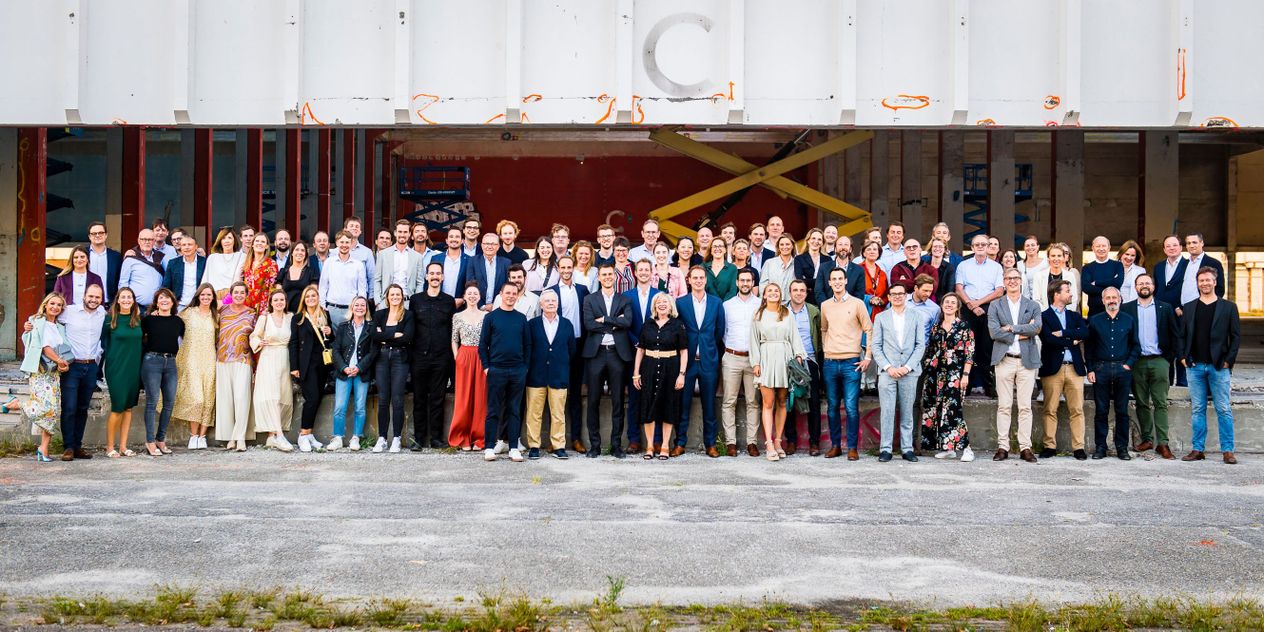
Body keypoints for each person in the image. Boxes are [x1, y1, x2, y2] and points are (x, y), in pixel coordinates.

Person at [1179, 266, 1240, 464]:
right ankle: (1198, 449)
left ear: (1215, 282)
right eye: (1201, 280)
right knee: (1198, 409)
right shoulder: (1189, 307)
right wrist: (1183, 357)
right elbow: (1182, 335)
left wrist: (1228, 361)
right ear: (1197, 283)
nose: (1204, 283)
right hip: (1195, 366)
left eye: (1208, 280)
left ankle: (1228, 451)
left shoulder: (1228, 307)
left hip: (1219, 367)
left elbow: (1235, 337)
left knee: (1223, 409)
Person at [1122, 274, 1180, 459]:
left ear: (1153, 286)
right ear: (1136, 287)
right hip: (1137, 362)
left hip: (1159, 360)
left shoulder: (1165, 307)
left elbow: (1175, 334)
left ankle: (1163, 443)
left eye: (1148, 283)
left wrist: (1168, 359)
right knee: (1141, 402)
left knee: (1161, 402)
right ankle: (1147, 439)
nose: (1144, 286)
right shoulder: (1127, 308)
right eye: (1141, 283)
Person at [988, 268, 1043, 462]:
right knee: (1004, 405)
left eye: (1015, 278)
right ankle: (1003, 447)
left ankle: (1025, 447)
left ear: (1021, 281)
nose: (1012, 281)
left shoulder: (1032, 305)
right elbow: (994, 332)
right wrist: (1023, 332)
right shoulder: (995, 305)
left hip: (1026, 361)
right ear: (1004, 281)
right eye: (1008, 278)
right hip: (1004, 359)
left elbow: (1036, 327)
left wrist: (1011, 328)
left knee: (1025, 406)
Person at [750, 283, 807, 462]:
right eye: (770, 291)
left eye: (776, 291)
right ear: (764, 295)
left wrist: (798, 355)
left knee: (782, 401)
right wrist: (755, 363)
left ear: (780, 295)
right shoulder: (758, 315)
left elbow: (794, 336)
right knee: (768, 402)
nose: (773, 293)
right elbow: (753, 340)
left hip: (784, 358)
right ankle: (768, 443)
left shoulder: (787, 313)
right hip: (766, 358)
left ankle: (778, 441)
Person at [582, 264, 635, 458]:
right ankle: (594, 446)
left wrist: (604, 319)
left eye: (610, 274)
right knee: (593, 400)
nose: (607, 277)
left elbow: (627, 322)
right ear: (599, 277)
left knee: (618, 401)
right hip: (595, 354)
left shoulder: (625, 299)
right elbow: (589, 324)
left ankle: (616, 446)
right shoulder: (589, 299)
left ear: (615, 276)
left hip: (617, 354)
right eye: (603, 274)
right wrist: (614, 322)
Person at [820, 267, 872, 460]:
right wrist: (827, 349)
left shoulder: (857, 303)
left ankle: (852, 447)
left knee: (851, 406)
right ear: (829, 283)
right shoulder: (825, 305)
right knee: (832, 406)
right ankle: (835, 446)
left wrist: (868, 357)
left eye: (840, 278)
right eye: (834, 279)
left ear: (846, 281)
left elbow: (869, 329)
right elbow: (824, 329)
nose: (837, 282)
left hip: (852, 362)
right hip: (830, 362)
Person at [870, 283, 926, 462]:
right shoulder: (881, 317)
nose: (897, 296)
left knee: (907, 411)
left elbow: (920, 345)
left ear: (906, 295)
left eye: (900, 293)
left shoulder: (916, 316)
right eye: (893, 294)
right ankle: (885, 449)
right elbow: (876, 346)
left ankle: (907, 449)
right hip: (887, 372)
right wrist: (888, 367)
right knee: (887, 411)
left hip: (909, 371)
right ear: (888, 297)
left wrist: (907, 367)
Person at [50, 284, 106, 459]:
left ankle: (77, 446)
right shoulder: (69, 311)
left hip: (91, 367)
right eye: (91, 296)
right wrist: (31, 322)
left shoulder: (102, 313)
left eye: (97, 297)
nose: (93, 300)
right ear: (84, 295)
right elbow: (49, 316)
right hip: (72, 366)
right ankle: (68, 447)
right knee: (69, 407)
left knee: (82, 408)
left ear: (101, 299)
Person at [632, 293, 689, 460]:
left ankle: (665, 446)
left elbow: (684, 352)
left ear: (671, 306)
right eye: (659, 302)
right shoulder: (647, 324)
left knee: (668, 407)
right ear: (654, 306)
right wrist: (636, 373)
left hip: (670, 368)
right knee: (648, 406)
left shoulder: (678, 325)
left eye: (665, 302)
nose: (662, 304)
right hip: (649, 367)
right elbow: (640, 350)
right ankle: (650, 446)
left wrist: (682, 374)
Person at [480, 283, 532, 462]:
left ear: (517, 296)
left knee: (514, 410)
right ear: (501, 294)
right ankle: (489, 447)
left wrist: (524, 367)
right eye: (507, 293)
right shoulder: (491, 317)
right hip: (496, 369)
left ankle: (513, 448)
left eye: (514, 293)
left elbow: (528, 345)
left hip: (517, 370)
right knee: (493, 410)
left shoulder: (521, 318)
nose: (511, 296)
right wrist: (487, 367)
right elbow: (483, 345)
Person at [1037, 279, 1089, 460]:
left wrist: (1064, 333)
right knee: (1049, 409)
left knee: (1077, 409)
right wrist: (1072, 340)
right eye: (1067, 290)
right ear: (1056, 294)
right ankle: (1049, 446)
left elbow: (1085, 333)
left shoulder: (1074, 316)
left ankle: (1078, 447)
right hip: (1053, 369)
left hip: (1074, 368)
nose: (1071, 294)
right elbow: (1048, 339)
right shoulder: (1043, 316)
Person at [676, 266, 725, 456]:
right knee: (683, 404)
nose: (698, 281)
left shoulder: (716, 303)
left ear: (706, 280)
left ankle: (710, 444)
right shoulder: (681, 303)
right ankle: (680, 443)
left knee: (709, 405)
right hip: (686, 362)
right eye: (694, 278)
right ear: (688, 280)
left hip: (708, 360)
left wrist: (708, 348)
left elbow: (719, 331)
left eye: (701, 278)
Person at [920, 294, 974, 461]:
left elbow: (969, 353)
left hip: (955, 374)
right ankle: (948, 448)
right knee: (936, 410)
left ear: (957, 307)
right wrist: (928, 367)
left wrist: (965, 375)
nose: (949, 305)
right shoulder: (936, 327)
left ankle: (967, 449)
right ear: (942, 305)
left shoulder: (964, 326)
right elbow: (930, 349)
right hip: (935, 374)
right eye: (946, 302)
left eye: (953, 303)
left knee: (953, 411)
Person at [1086, 287, 1138, 460]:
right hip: (1101, 369)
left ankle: (1122, 448)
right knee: (1101, 410)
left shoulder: (1129, 320)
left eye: (1114, 297)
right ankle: (1101, 447)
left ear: (1120, 299)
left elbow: (1135, 345)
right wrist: (1090, 369)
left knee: (1122, 410)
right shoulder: (1095, 320)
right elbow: (1089, 347)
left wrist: (1128, 365)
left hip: (1123, 369)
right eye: (1108, 298)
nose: (1111, 300)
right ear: (1103, 301)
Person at [409, 262, 456, 450]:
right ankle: (419, 439)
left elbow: (452, 330)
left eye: (438, 273)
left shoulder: (448, 301)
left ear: (442, 277)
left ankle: (436, 438)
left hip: (441, 357)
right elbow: (411, 327)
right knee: (419, 398)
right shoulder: (416, 300)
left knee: (438, 398)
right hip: (419, 356)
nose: (435, 276)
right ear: (427, 276)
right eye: (432, 273)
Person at [524, 290, 575, 460]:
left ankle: (559, 446)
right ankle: (534, 446)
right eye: (547, 301)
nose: (551, 303)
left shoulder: (567, 324)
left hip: (559, 375)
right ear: (541, 304)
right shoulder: (532, 324)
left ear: (558, 304)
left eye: (553, 300)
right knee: (534, 413)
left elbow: (571, 350)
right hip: (536, 375)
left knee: (558, 413)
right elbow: (528, 348)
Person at [20, 293, 71, 462]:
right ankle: (17, 403)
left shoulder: (60, 327)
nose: (55, 307)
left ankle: (44, 448)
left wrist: (63, 364)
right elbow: (44, 347)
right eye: (52, 303)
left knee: (53, 411)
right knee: (44, 407)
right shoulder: (36, 321)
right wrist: (59, 360)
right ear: (45, 304)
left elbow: (62, 349)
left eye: (59, 305)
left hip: (54, 373)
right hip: (40, 371)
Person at [548, 256, 589, 453]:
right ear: (558, 268)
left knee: (575, 395)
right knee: (556, 394)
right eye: (562, 267)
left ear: (573, 268)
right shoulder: (551, 292)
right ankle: (555, 439)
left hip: (579, 345)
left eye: (569, 267)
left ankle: (576, 439)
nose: (566, 270)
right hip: (558, 346)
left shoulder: (582, 290)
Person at [956, 234, 1005, 395]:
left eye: (983, 244)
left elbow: (999, 291)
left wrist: (979, 303)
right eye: (977, 244)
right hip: (968, 308)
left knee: (986, 347)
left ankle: (989, 386)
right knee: (967, 347)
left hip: (988, 308)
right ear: (972, 247)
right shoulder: (963, 265)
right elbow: (959, 289)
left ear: (988, 246)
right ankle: (966, 386)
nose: (980, 247)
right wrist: (971, 305)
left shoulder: (996, 267)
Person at [720, 269, 762, 458]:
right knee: (729, 401)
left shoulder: (760, 304)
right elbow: (723, 331)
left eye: (748, 280)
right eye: (742, 280)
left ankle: (752, 443)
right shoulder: (727, 305)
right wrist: (732, 348)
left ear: (753, 283)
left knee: (753, 401)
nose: (745, 283)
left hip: (754, 359)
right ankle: (731, 443)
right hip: (732, 357)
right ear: (737, 282)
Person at [248, 289, 294, 452]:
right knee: (272, 396)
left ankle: (271, 437)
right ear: (271, 303)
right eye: (276, 300)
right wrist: (259, 342)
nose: (279, 302)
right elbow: (254, 336)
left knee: (282, 395)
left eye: (282, 300)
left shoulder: (290, 317)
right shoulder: (265, 318)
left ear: (285, 302)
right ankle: (279, 435)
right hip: (269, 358)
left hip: (285, 358)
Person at [172, 283, 217, 451]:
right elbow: (171, 321)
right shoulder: (188, 313)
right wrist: (156, 313)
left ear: (213, 297)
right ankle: (193, 435)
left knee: (208, 398)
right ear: (198, 296)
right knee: (197, 399)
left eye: (209, 295)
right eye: (203, 294)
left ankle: (202, 436)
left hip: (209, 359)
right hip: (191, 358)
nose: (206, 297)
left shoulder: (216, 315)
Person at [99, 287, 143, 457]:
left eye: (129, 297)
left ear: (133, 300)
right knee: (118, 407)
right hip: (116, 368)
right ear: (117, 300)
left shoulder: (138, 319)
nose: (126, 300)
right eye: (123, 297)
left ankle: (124, 446)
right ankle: (110, 447)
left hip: (133, 368)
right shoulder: (109, 320)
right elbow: (102, 343)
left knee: (128, 408)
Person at [623, 259, 661, 451]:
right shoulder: (626, 296)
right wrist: (637, 343)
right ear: (635, 273)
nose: (644, 272)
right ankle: (634, 439)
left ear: (652, 272)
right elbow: (624, 324)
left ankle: (656, 440)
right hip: (633, 351)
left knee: (656, 396)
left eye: (647, 269)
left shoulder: (659, 295)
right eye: (641, 270)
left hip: (656, 353)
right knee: (635, 397)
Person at [140, 289, 183, 457]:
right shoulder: (148, 320)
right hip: (152, 361)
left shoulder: (178, 322)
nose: (164, 300)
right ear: (156, 302)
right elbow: (139, 339)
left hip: (171, 362)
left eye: (167, 298)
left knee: (169, 402)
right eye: (161, 298)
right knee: (152, 402)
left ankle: (160, 439)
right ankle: (150, 441)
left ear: (173, 302)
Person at [328, 297, 375, 452]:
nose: (360, 307)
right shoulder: (343, 327)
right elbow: (336, 350)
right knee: (339, 407)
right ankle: (337, 438)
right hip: (344, 373)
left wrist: (359, 367)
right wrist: (343, 367)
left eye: (363, 305)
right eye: (357, 305)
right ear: (352, 307)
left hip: (362, 372)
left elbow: (373, 352)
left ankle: (356, 437)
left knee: (360, 407)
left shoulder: (371, 327)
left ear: (366, 309)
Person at [289, 284, 332, 452]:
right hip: (305, 364)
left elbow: (331, 340)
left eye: (313, 296)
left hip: (322, 363)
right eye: (308, 297)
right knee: (312, 398)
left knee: (318, 398)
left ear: (318, 298)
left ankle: (309, 434)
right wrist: (294, 367)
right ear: (304, 300)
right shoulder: (298, 318)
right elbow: (293, 343)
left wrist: (329, 332)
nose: (311, 299)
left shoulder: (325, 314)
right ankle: (303, 435)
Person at [371, 284, 413, 453]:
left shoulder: (408, 315)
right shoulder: (380, 314)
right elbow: (374, 335)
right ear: (387, 297)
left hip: (400, 359)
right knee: (383, 399)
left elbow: (408, 337)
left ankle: (396, 438)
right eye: (392, 294)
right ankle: (382, 438)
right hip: (381, 358)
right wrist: (394, 335)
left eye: (398, 294)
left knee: (397, 399)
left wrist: (385, 336)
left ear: (402, 297)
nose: (395, 297)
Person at [215, 283, 256, 451]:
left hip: (243, 359)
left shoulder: (251, 313)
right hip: (222, 359)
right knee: (226, 400)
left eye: (242, 292)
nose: (239, 295)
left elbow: (256, 336)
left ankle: (240, 438)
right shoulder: (222, 310)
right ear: (231, 294)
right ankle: (230, 436)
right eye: (236, 292)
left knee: (242, 398)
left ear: (246, 295)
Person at [449, 284, 488, 450]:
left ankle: (479, 437)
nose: (472, 296)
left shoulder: (486, 316)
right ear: (464, 297)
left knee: (481, 397)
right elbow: (454, 339)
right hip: (464, 355)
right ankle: (462, 436)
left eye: (475, 293)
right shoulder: (457, 316)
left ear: (479, 297)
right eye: (469, 293)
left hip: (481, 356)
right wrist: (457, 357)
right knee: (464, 398)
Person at [785, 280, 821, 455]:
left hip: (809, 360)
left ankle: (814, 443)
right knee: (789, 402)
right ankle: (791, 441)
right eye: (795, 290)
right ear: (790, 292)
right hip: (788, 362)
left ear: (806, 293)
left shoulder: (814, 311)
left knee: (813, 401)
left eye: (802, 290)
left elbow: (819, 335)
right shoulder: (782, 311)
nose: (798, 293)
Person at [1154, 235, 1189, 386]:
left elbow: (1192, 290)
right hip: (1162, 314)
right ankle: (1166, 384)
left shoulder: (1189, 265)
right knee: (1166, 349)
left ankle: (1182, 383)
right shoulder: (1158, 267)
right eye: (1168, 246)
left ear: (1181, 247)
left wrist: (1180, 306)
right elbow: (1158, 290)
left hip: (1181, 313)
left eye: (1175, 245)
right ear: (1164, 249)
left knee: (1182, 348)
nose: (1171, 248)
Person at [319, 231, 368, 327]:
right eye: (341, 242)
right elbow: (323, 286)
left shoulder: (358, 265)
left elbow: (362, 290)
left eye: (347, 242)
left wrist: (361, 308)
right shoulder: (329, 262)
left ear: (351, 243)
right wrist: (322, 306)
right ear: (337, 243)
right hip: (332, 309)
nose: (344, 245)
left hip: (351, 309)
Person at [374, 218, 424, 306]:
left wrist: (416, 302)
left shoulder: (417, 257)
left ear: (409, 234)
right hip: (386, 302)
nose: (402, 235)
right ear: (395, 233)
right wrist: (378, 302)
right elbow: (377, 279)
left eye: (405, 232)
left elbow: (420, 282)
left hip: (408, 302)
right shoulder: (383, 254)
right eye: (400, 232)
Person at [118, 228, 167, 309]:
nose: (147, 242)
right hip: (135, 307)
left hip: (156, 307)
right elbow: (123, 283)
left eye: (150, 239)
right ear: (139, 241)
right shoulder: (130, 259)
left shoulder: (161, 258)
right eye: (143, 239)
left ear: (154, 241)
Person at [461, 232, 510, 309]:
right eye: (486, 243)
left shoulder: (506, 263)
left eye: (493, 244)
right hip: (476, 307)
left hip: (498, 307)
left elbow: (507, 287)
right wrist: (482, 306)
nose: (489, 247)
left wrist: (496, 305)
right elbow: (470, 286)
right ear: (482, 245)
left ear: (498, 246)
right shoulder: (473, 261)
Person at [1027, 242, 1080, 311]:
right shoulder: (1039, 276)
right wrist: (1048, 314)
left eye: (1059, 256)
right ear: (1048, 258)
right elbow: (1036, 299)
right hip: (1045, 315)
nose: (1056, 258)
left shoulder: (1070, 275)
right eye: (1053, 256)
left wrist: (1063, 314)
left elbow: (1073, 299)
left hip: (1066, 315)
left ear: (1063, 258)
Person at [1081, 236, 1123, 318]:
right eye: (1098, 246)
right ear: (1093, 248)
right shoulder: (1087, 268)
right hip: (1094, 311)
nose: (1101, 249)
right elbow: (1086, 288)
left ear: (1109, 247)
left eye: (1104, 246)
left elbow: (1118, 283)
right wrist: (1111, 288)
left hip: (1115, 311)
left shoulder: (1117, 265)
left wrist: (1097, 283)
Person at [815, 236, 865, 303]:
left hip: (850, 308)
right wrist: (828, 306)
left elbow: (859, 294)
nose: (843, 247)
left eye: (846, 244)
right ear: (835, 249)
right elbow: (819, 291)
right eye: (840, 244)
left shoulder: (859, 270)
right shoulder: (823, 267)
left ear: (850, 249)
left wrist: (848, 307)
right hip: (828, 307)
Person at [162, 233, 206, 307]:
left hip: (199, 305)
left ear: (196, 247)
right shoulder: (173, 263)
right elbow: (166, 286)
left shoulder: (204, 262)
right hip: (179, 306)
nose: (186, 247)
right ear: (181, 247)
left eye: (189, 244)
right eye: (184, 245)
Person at [1180, 233, 1225, 305]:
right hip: (1184, 308)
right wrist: (1177, 307)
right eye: (1188, 243)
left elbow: (1220, 288)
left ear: (1202, 243)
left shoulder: (1214, 263)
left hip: (1204, 307)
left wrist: (1210, 306)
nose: (1191, 246)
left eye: (1194, 242)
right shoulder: (1183, 264)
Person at [86, 221, 122, 302]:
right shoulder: (82, 254)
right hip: (86, 303)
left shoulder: (115, 257)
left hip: (109, 303)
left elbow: (119, 280)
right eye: (94, 233)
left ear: (106, 235)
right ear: (89, 236)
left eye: (101, 233)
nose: (97, 235)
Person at [241, 232, 278, 312]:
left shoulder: (271, 264)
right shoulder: (247, 263)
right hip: (246, 306)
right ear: (252, 244)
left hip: (263, 306)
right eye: (257, 241)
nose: (259, 243)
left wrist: (268, 308)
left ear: (266, 246)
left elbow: (272, 288)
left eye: (263, 242)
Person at [203, 228, 243, 300]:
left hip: (234, 296)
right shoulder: (212, 258)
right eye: (223, 238)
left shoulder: (241, 256)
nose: (227, 241)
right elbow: (205, 280)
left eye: (229, 238)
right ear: (220, 241)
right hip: (215, 296)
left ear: (234, 240)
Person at [279, 241, 320, 312]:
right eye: (297, 249)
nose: (299, 252)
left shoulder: (312, 272)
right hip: (285, 312)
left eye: (302, 250)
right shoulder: (283, 272)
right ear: (292, 253)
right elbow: (278, 294)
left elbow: (313, 295)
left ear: (306, 254)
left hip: (305, 312)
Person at [342, 216, 377, 291]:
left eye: (357, 226)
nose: (354, 228)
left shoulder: (367, 252)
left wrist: (371, 295)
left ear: (360, 231)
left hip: (361, 294)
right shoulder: (334, 252)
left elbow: (372, 277)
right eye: (351, 226)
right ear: (345, 229)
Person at [760, 235, 797, 301]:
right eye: (782, 244)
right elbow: (763, 285)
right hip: (772, 302)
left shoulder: (798, 264)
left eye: (787, 244)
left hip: (792, 303)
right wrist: (765, 301)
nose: (784, 247)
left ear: (792, 246)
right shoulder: (769, 263)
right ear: (778, 247)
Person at [859, 240, 889, 320]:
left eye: (875, 249)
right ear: (864, 253)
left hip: (879, 315)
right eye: (869, 249)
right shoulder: (857, 270)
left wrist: (882, 301)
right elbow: (852, 292)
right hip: (861, 313)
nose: (872, 252)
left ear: (878, 253)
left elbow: (886, 295)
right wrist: (869, 298)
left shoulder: (882, 274)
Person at [923, 238, 956, 304]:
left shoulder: (949, 268)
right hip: (924, 301)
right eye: (935, 246)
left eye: (940, 247)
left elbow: (950, 291)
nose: (937, 249)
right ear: (931, 248)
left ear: (945, 250)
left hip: (941, 303)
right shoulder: (923, 266)